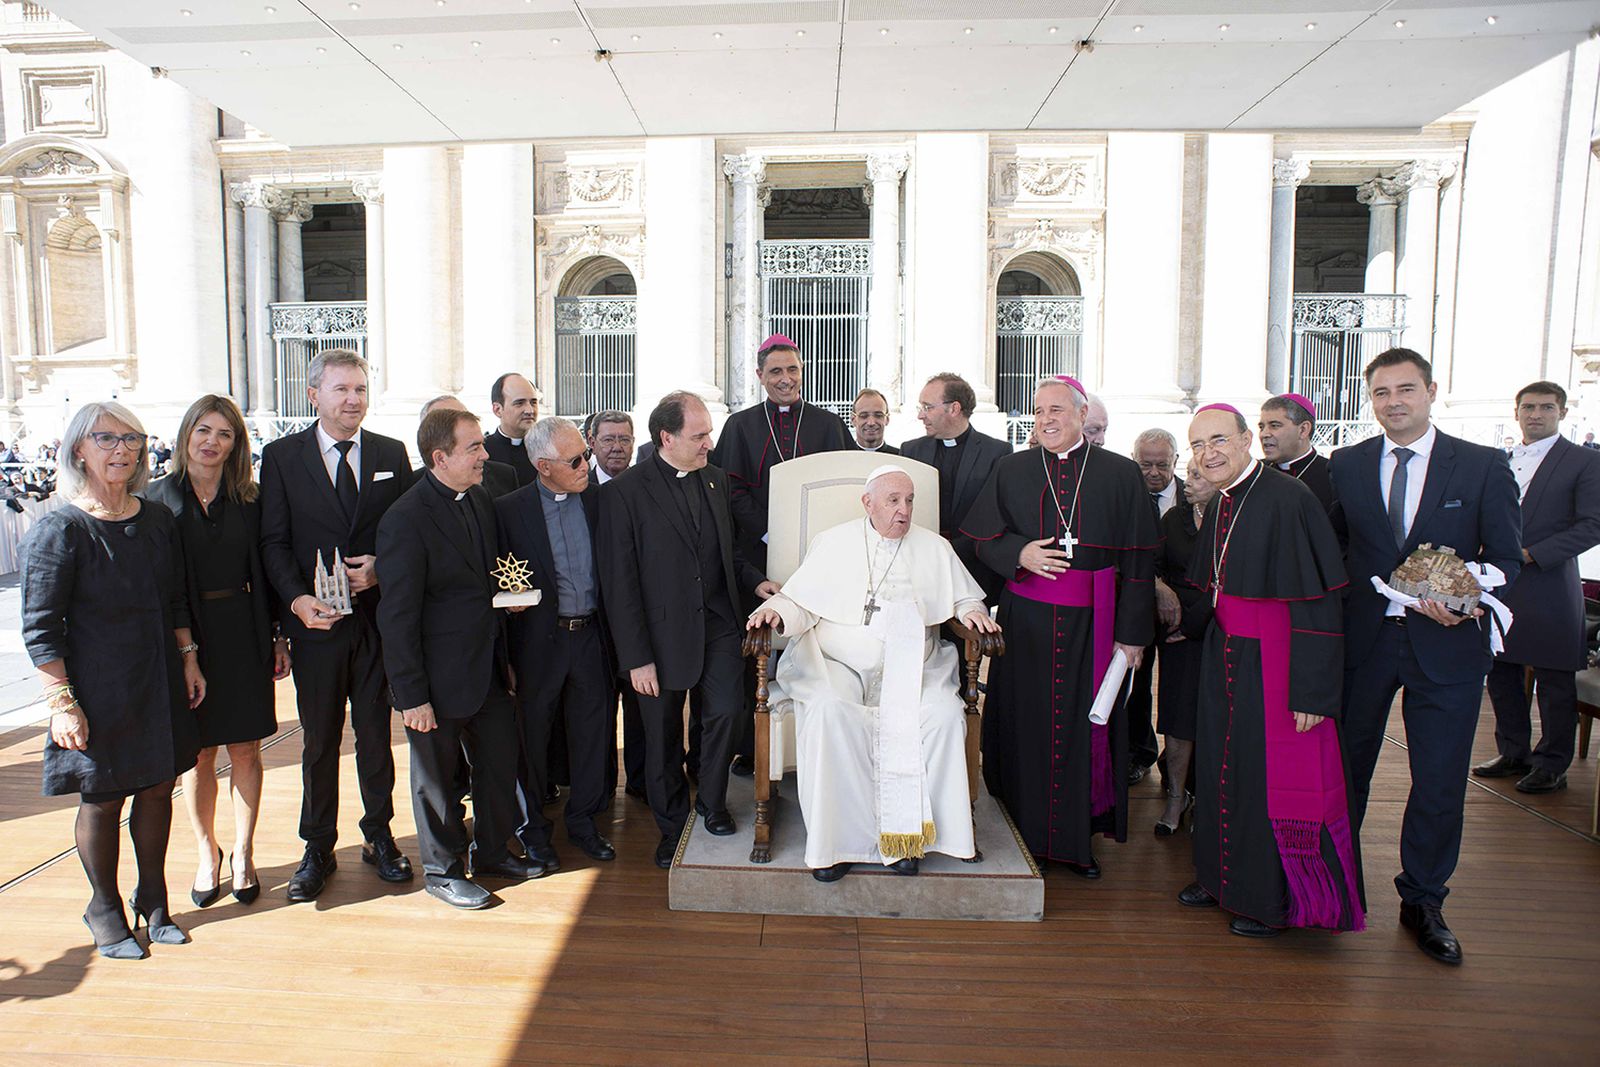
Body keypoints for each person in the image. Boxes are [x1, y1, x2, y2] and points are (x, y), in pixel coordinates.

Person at [1329, 348, 1521, 965]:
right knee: (1345, 769)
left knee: (1438, 781)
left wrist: (1468, 599)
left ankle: (1424, 900)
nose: (1394, 403)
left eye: (1405, 389)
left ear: (1431, 391)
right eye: (1381, 392)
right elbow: (1335, 551)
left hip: (1448, 647)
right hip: (1365, 645)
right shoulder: (1348, 464)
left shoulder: (1483, 465)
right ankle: (1334, 886)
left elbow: (1508, 559)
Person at [748, 466, 1000, 881]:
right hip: (838, 667)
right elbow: (801, 599)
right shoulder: (833, 543)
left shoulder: (934, 548)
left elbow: (964, 596)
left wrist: (972, 611)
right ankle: (838, 844)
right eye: (893, 501)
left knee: (941, 716)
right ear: (868, 503)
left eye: (909, 500)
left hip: (915, 669)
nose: (904, 511)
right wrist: (775, 611)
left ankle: (908, 838)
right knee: (830, 712)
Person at [22, 402, 205, 958]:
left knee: (156, 788)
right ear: (79, 449)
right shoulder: (60, 529)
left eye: (132, 439)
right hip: (97, 688)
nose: (122, 449)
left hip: (157, 675)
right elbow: (40, 626)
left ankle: (153, 898)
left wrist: (189, 658)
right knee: (102, 798)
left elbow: (174, 597)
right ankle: (103, 907)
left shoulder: (154, 519)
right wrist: (62, 703)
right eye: (106, 439)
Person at [1176, 405, 1362, 939]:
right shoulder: (1222, 502)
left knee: (1270, 781)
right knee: (1220, 770)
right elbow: (1211, 588)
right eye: (1198, 445)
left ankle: (1271, 901)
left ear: (1245, 441)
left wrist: (1312, 690)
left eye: (1218, 441)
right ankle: (1219, 880)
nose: (1207, 453)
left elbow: (1320, 603)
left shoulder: (1289, 500)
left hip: (1279, 661)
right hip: (1228, 654)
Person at [960, 376, 1157, 877]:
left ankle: (1076, 840)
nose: (1046, 418)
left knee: (1084, 726)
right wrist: (1018, 552)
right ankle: (1020, 830)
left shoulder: (1120, 474)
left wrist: (1132, 635)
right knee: (1025, 721)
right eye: (1038, 410)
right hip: (1028, 621)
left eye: (1057, 409)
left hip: (1096, 623)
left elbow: (1139, 561)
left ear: (1081, 413)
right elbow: (981, 539)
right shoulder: (1011, 469)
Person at [259, 347, 416, 902]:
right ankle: (317, 847)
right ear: (313, 395)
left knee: (376, 737)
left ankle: (380, 836)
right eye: (342, 389)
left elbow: (404, 534)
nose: (353, 400)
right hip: (316, 628)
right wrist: (298, 601)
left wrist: (382, 568)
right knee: (320, 742)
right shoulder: (281, 457)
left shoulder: (392, 453)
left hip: (375, 625)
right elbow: (273, 542)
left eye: (361, 390)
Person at [376, 408, 544, 908]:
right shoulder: (403, 520)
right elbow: (397, 617)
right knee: (435, 783)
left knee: (497, 764)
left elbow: (483, 580)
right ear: (439, 457)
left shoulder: (478, 500)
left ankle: (492, 851)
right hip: (434, 682)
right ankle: (442, 871)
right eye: (474, 448)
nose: (486, 455)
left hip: (487, 668)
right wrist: (411, 696)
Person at [599, 391, 775, 868]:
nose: (708, 445)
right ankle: (672, 825)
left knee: (724, 716)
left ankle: (711, 803)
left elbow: (729, 553)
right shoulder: (623, 493)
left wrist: (757, 582)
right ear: (666, 438)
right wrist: (636, 657)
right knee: (660, 738)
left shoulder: (716, 481)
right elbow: (620, 584)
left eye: (708, 434)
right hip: (656, 638)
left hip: (718, 624)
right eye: (699, 436)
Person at [145, 395, 290, 909]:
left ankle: (245, 853)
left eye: (224, 434)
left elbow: (267, 573)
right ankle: (208, 851)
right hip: (185, 635)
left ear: (236, 444)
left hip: (243, 630)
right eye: (203, 430)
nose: (212, 442)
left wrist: (278, 635)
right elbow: (162, 584)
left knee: (246, 748)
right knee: (199, 752)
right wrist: (185, 651)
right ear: (186, 434)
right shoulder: (156, 499)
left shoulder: (249, 500)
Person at [711, 334, 850, 775]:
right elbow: (731, 491)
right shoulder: (741, 426)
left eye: (792, 369)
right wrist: (773, 532)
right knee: (761, 657)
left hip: (821, 559)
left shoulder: (828, 424)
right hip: (759, 558)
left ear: (802, 370)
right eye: (775, 372)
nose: (785, 379)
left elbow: (847, 488)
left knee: (819, 651)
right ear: (760, 377)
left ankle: (816, 746)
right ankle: (756, 750)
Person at [496, 417, 617, 866]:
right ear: (544, 466)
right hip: (537, 645)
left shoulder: (598, 501)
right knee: (532, 739)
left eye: (585, 454)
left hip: (590, 638)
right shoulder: (508, 511)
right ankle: (533, 832)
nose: (588, 464)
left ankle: (584, 822)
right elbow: (500, 581)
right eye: (576, 460)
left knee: (592, 735)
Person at [1476, 382, 1600, 793]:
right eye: (1528, 407)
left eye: (1546, 407)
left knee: (1554, 680)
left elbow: (1593, 525)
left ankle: (1552, 763)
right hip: (1501, 584)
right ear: (1516, 413)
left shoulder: (1583, 461)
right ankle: (1513, 751)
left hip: (1549, 582)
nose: (1536, 414)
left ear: (1562, 413)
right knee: (1502, 672)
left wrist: (1532, 553)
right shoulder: (1499, 459)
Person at [901, 373, 1012, 603]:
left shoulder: (996, 453)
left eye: (928, 407)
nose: (921, 415)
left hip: (974, 570)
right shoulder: (911, 451)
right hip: (921, 568)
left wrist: (953, 552)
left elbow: (992, 517)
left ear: (954, 408)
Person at [585, 410, 646, 799]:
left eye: (624, 439)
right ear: (591, 442)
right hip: (593, 622)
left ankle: (640, 783)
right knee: (598, 713)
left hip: (639, 618)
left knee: (642, 711)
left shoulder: (645, 487)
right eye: (608, 439)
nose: (617, 448)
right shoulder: (579, 488)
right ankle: (601, 788)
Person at [1153, 456, 1214, 835]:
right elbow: (1153, 565)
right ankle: (1176, 797)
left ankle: (1209, 797)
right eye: (1188, 474)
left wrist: (1192, 624)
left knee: (1214, 717)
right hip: (1175, 630)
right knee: (1178, 719)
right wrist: (1160, 588)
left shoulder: (1231, 519)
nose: (1187, 483)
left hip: (1217, 627)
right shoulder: (1173, 519)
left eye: (1197, 476)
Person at [1128, 428, 1184, 784]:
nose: (1152, 472)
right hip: (1139, 606)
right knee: (1137, 686)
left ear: (1176, 462)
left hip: (1186, 611)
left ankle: (1179, 768)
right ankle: (1140, 754)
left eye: (1161, 465)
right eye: (1145, 464)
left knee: (1180, 690)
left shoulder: (1196, 491)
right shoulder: (1126, 494)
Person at [423, 395, 518, 498]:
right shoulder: (413, 488)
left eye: (464, 417)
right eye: (445, 422)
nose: (485, 455)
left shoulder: (504, 475)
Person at [1259, 393, 1333, 512]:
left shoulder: (1332, 477)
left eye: (1274, 425)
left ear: (1303, 430)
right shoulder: (1257, 471)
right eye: (1261, 427)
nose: (1264, 434)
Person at [484, 372, 541, 486]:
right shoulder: (483, 452)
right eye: (519, 403)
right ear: (498, 410)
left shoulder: (548, 448)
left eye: (533, 402)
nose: (529, 410)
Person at [849, 388, 898, 454]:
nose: (871, 423)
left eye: (878, 415)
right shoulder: (842, 457)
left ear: (887, 419)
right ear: (853, 419)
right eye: (864, 416)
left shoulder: (900, 457)